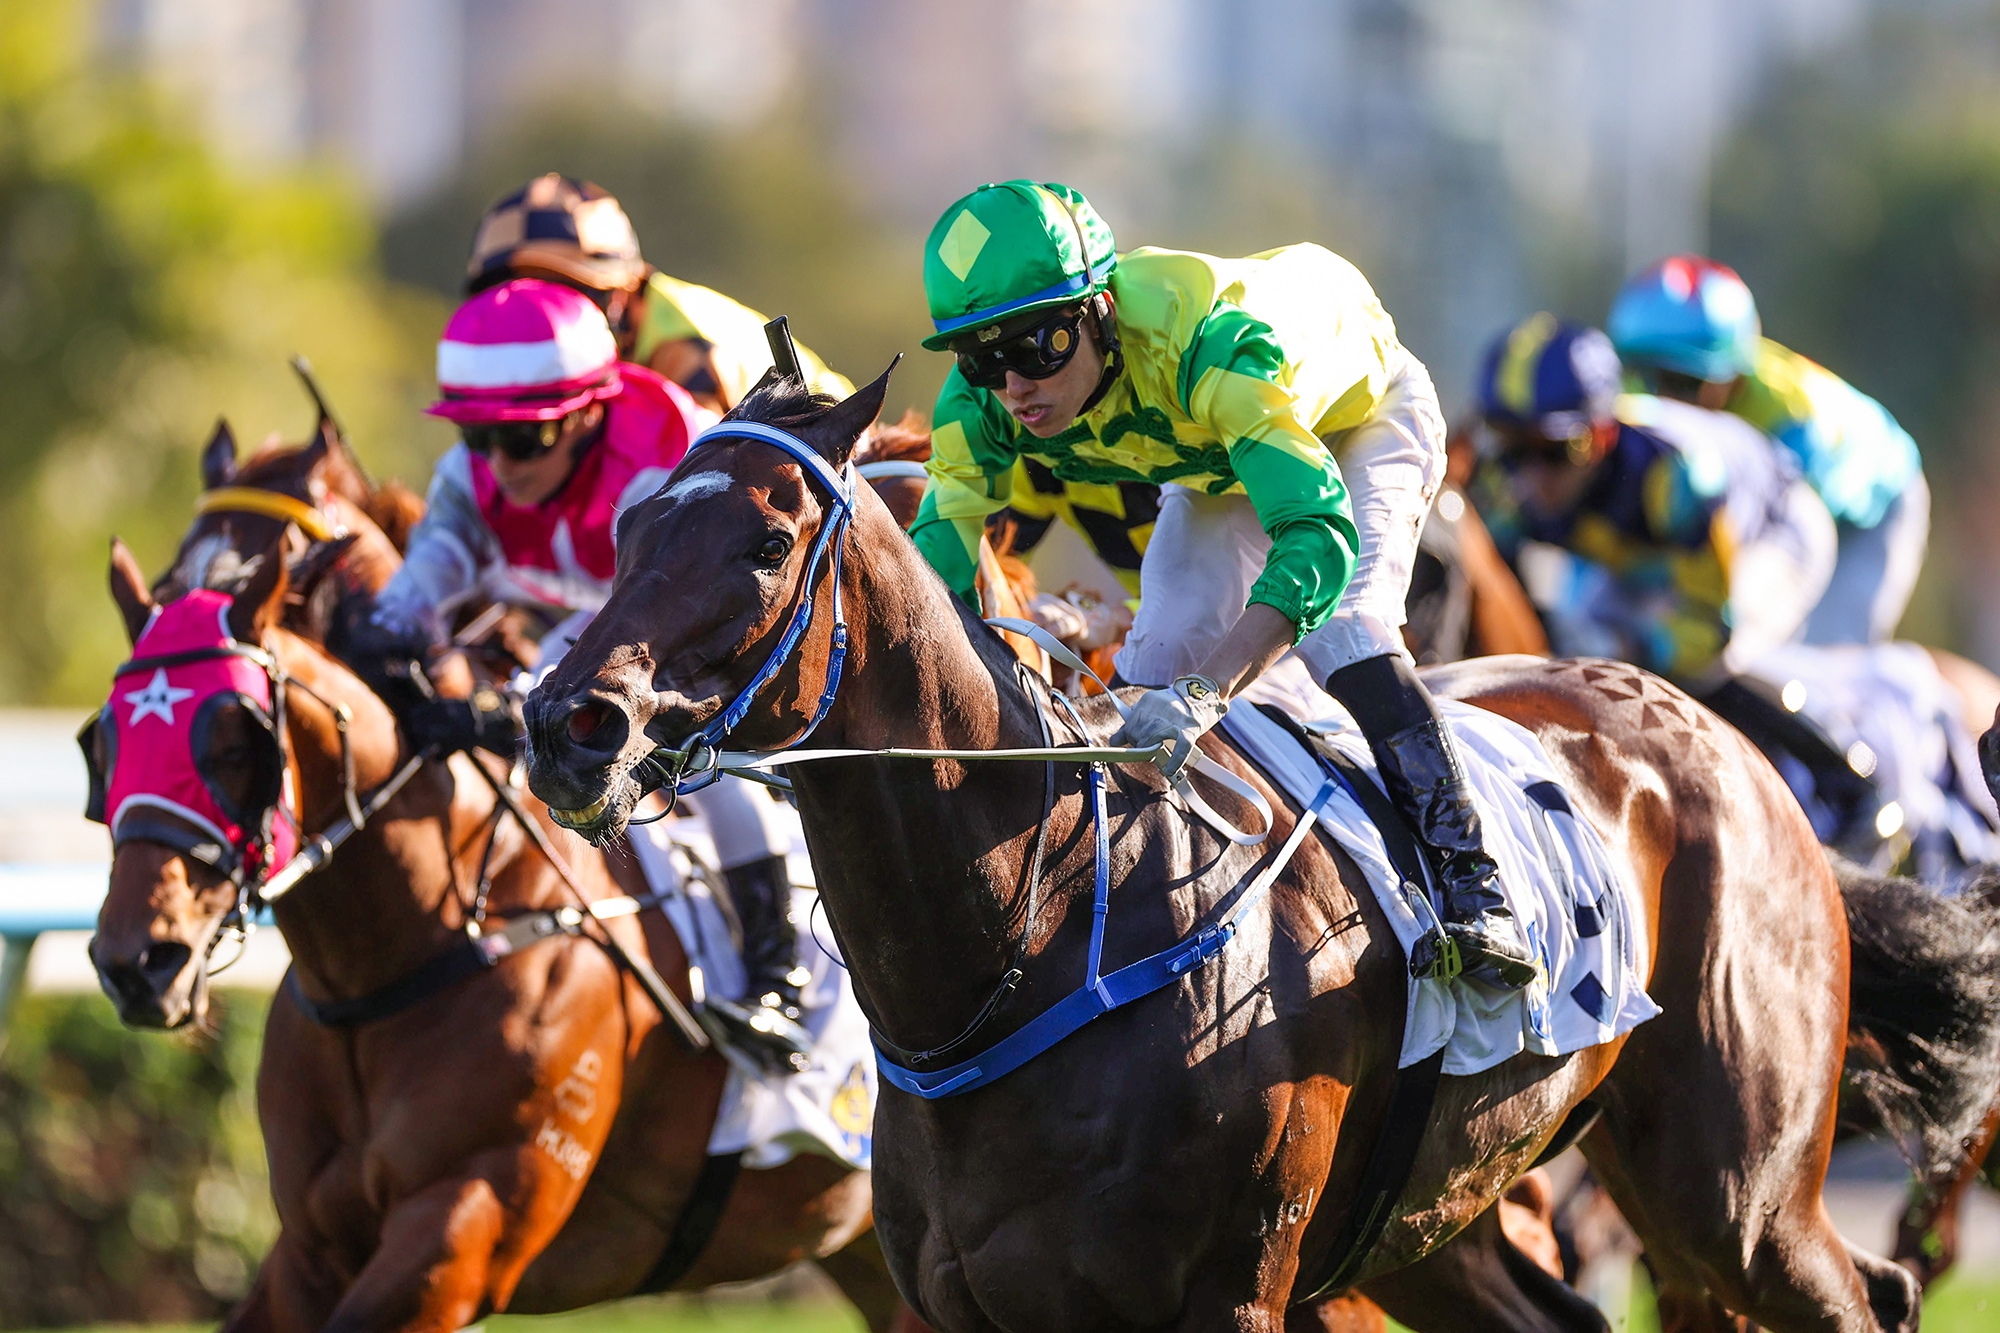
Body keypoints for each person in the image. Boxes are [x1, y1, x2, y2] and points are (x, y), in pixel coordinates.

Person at [910, 179, 1534, 987]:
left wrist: (1208, 693)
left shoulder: (1211, 345)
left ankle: (1474, 884)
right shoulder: (984, 400)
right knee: (1155, 656)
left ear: (1099, 310)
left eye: (1037, 348)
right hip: (1219, 453)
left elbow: (1316, 540)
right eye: (982, 356)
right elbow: (936, 572)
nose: (1013, 386)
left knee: (1345, 628)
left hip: (1359, 418)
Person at [358, 278, 816, 1071]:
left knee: (713, 772)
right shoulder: (471, 476)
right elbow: (422, 587)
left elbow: (623, 631)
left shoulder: (661, 453)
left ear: (585, 415)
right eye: (476, 435)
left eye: (524, 439)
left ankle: (780, 977)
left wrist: (507, 706)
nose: (499, 464)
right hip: (580, 629)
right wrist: (379, 643)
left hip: (691, 636)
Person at [1470, 315, 1876, 836]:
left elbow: (1708, 631)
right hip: (1647, 553)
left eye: (1554, 451)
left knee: (1708, 660)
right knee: (1585, 656)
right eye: (1511, 448)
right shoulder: (1505, 483)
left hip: (1774, 531)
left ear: (1602, 435)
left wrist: (1634, 643)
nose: (1530, 479)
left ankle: (1849, 780)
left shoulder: (1676, 480)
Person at [1607, 255, 1927, 646]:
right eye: (1647, 376)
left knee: (1804, 653)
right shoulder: (1627, 399)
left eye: (1685, 384)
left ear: (1734, 374)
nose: (1668, 402)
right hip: (1806, 509)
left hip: (1868, 514)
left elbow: (1785, 545)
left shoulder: (1792, 421)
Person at [465, 173, 853, 413]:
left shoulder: (683, 351)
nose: (538, 315)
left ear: (622, 292)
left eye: (565, 292)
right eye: (512, 295)